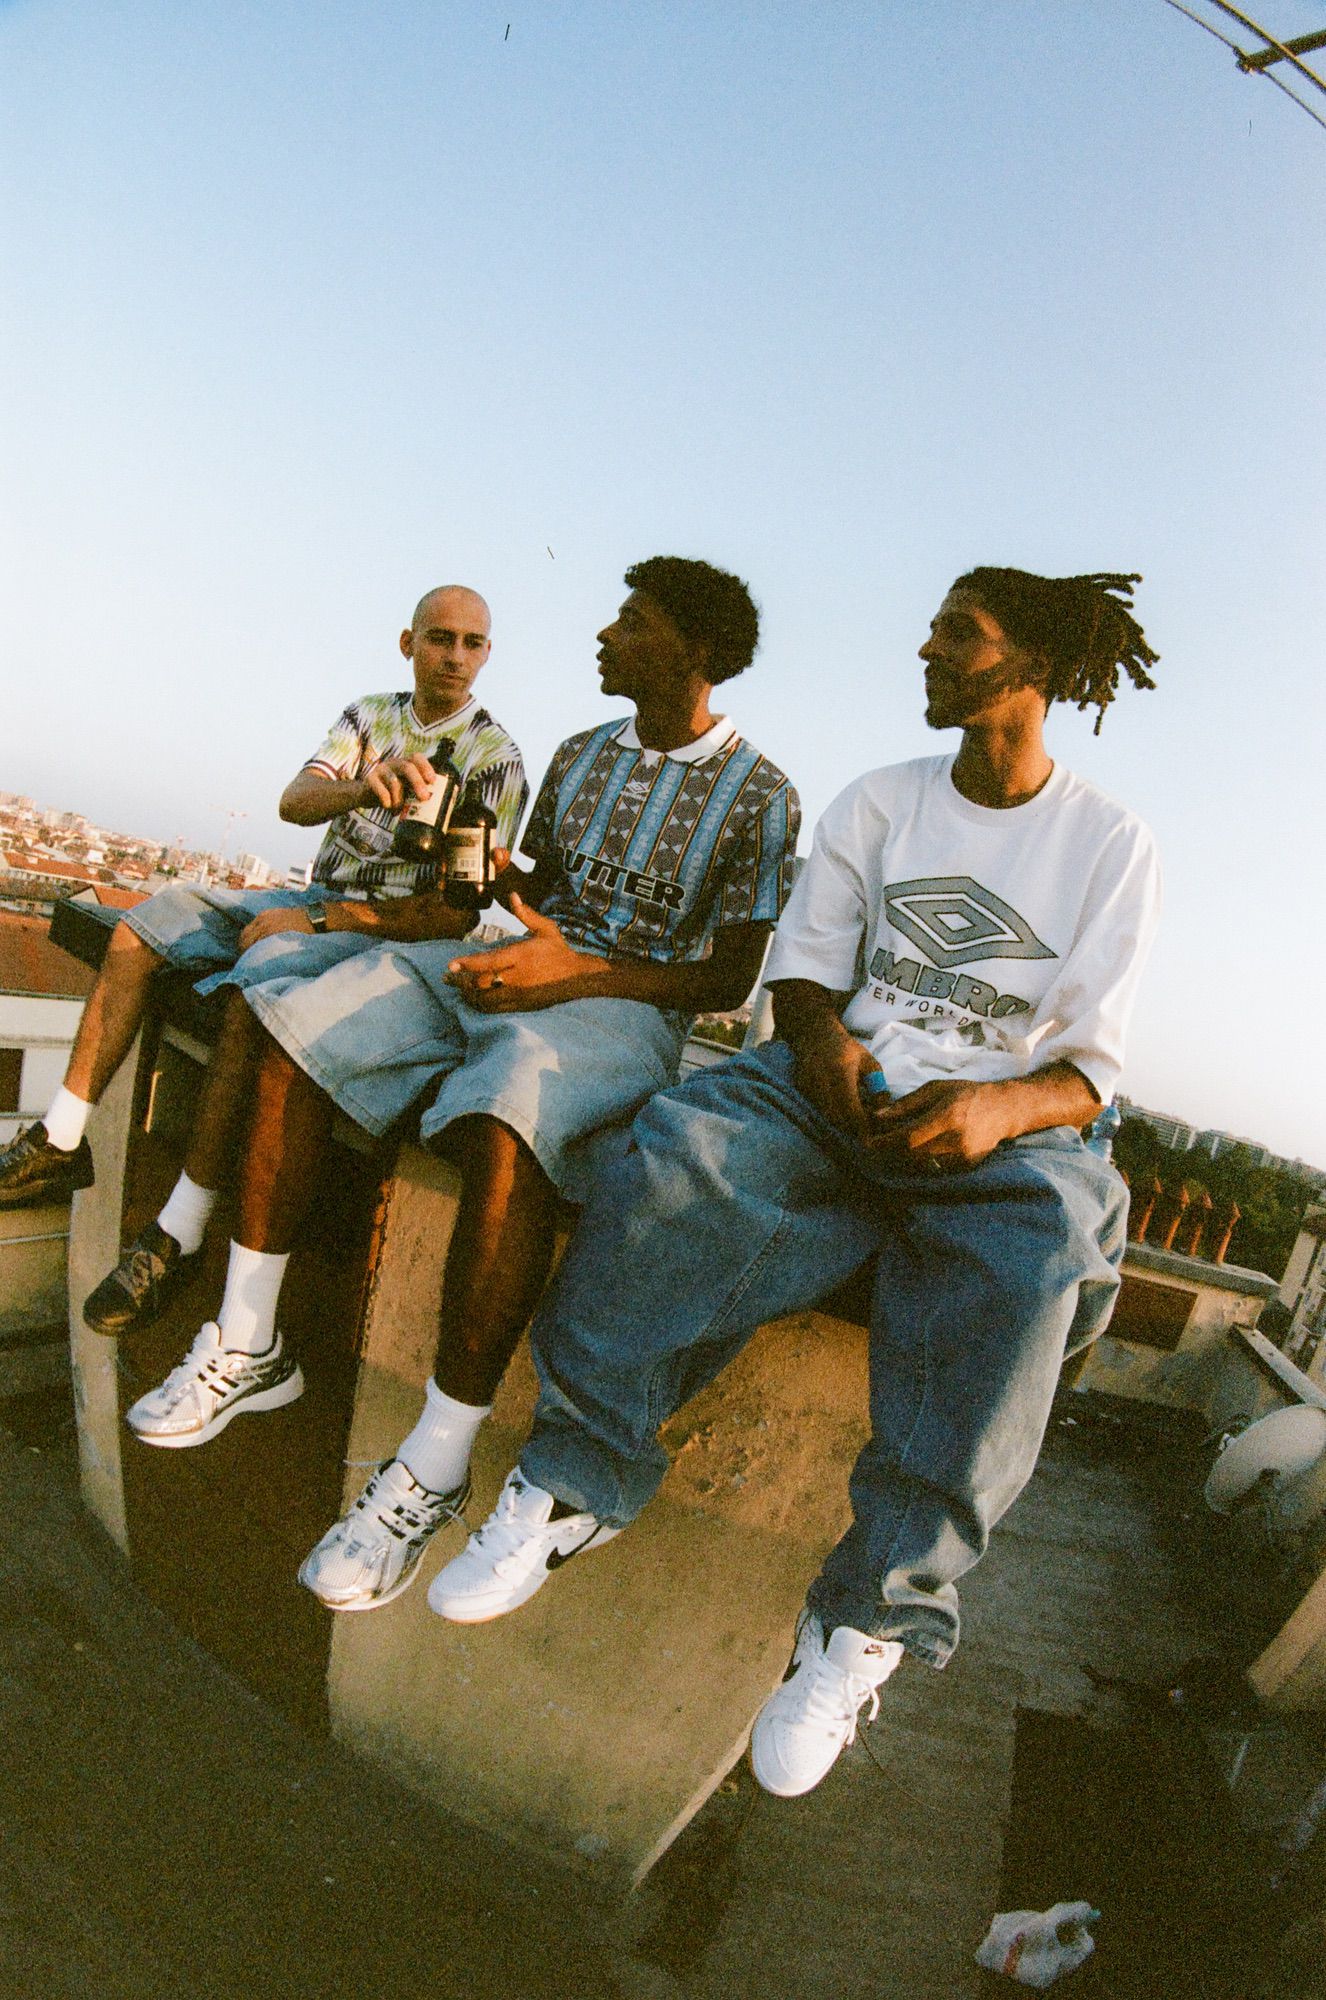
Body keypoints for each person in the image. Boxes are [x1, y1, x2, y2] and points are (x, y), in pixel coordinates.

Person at [428, 566, 1162, 1802]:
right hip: (834, 1089)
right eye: (930, 623)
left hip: (996, 1136)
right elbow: (806, 982)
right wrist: (831, 1067)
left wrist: (990, 1107)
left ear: (1033, 661)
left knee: (1045, 1261)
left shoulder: (1110, 844)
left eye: (958, 634)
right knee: (681, 1147)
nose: (925, 647)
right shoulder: (882, 801)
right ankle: (575, 1482)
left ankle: (863, 1619)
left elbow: (1087, 1073)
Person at [123, 556, 802, 1618]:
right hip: (513, 962)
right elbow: (530, 888)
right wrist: (475, 869)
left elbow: (728, 976)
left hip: (623, 1007)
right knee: (299, 1016)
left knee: (507, 1114)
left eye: (633, 620)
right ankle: (247, 1342)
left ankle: (434, 1464)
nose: (607, 632)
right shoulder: (580, 754)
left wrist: (572, 972)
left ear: (696, 651)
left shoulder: (762, 795)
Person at [0, 586, 527, 1342]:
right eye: (440, 637)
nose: (455, 656)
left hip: (387, 929)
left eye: (472, 643)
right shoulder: (370, 715)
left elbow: (453, 912)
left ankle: (175, 1233)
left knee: (259, 980)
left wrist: (314, 918)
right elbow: (294, 800)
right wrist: (359, 787)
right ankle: (58, 1137)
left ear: (486, 654)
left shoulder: (494, 758)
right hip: (318, 895)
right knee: (145, 925)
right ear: (407, 643)